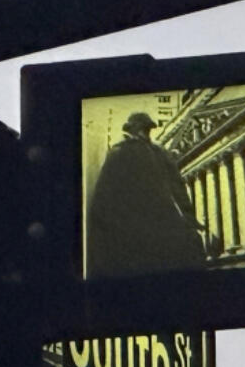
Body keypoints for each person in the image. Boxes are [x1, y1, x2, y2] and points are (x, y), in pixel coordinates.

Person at [87, 112, 206, 278]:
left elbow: (178, 188)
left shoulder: (153, 153)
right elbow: (106, 196)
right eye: (143, 129)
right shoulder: (123, 153)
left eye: (147, 129)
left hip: (154, 225)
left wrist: (189, 217)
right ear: (133, 129)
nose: (145, 133)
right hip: (142, 226)